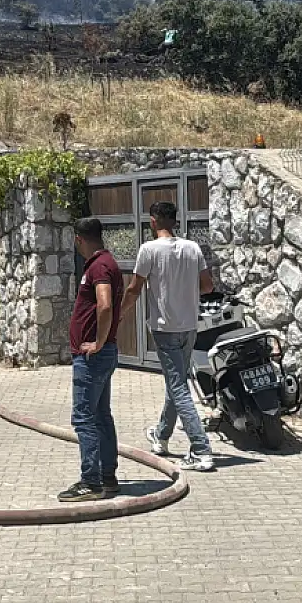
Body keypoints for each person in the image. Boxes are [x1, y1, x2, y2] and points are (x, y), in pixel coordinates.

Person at [125, 201, 217, 472]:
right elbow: (208, 285)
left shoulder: (148, 250)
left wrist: (119, 315)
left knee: (178, 387)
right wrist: (186, 295)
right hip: (189, 326)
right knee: (174, 382)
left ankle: (201, 450)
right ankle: (162, 437)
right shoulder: (193, 248)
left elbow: (134, 289)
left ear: (153, 221)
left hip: (165, 329)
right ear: (175, 221)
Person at [60, 217, 123, 502]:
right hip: (101, 354)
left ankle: (91, 481)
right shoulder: (107, 262)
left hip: (92, 358)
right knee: (100, 416)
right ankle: (107, 476)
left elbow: (105, 304)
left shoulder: (98, 266)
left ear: (79, 239)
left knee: (84, 418)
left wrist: (97, 342)